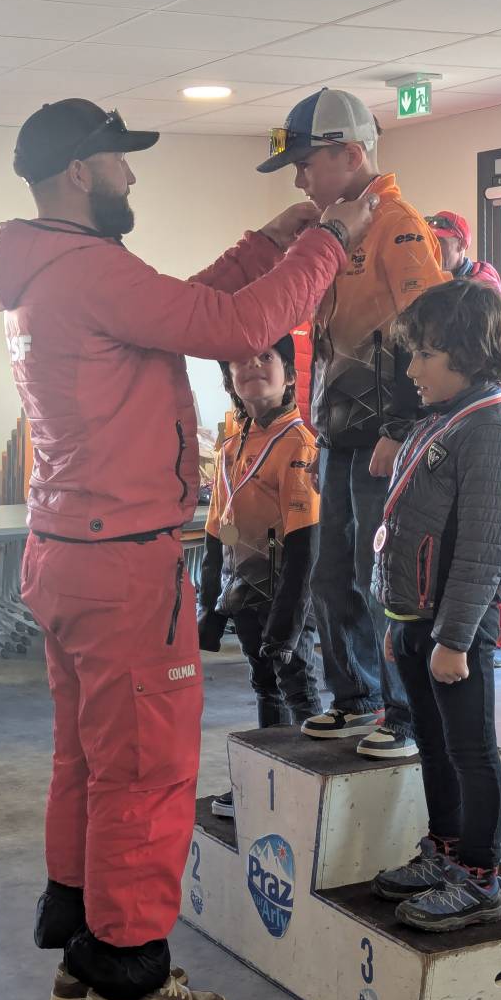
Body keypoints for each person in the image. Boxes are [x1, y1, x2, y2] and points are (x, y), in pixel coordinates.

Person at [0, 98, 378, 1000]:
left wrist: (273, 235)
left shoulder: (51, 272)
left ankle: (86, 955)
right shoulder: (86, 271)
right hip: (124, 567)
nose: (132, 176)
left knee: (88, 762)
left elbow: (187, 307)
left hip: (70, 554)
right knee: (148, 774)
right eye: (120, 161)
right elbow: (240, 322)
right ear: (80, 170)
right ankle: (130, 984)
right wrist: (325, 239)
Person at [257, 87, 448, 760]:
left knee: (385, 580)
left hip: (385, 441)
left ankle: (405, 713)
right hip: (335, 436)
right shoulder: (334, 229)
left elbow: (428, 337)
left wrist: (401, 428)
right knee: (329, 573)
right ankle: (357, 697)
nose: (301, 179)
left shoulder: (397, 223)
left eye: (308, 163)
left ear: (349, 151)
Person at [370, 280, 501, 931]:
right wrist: (396, 622)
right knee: (433, 747)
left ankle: (478, 876)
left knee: (471, 752)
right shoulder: (437, 420)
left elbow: (485, 552)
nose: (412, 370)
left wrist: (455, 638)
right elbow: (407, 526)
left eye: (426, 355)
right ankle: (443, 850)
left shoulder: (491, 434)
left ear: (469, 353)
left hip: (457, 627)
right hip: (418, 624)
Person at [198, 335, 321, 818]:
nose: (251, 366)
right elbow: (215, 529)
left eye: (266, 358)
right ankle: (262, 782)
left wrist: (288, 623)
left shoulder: (299, 443)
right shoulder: (232, 437)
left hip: (285, 595)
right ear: (229, 378)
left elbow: (305, 544)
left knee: (298, 688)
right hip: (241, 590)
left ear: (290, 374)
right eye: (239, 361)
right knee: (263, 686)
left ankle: (310, 788)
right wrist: (208, 608)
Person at [427, 209, 501, 668]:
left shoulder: (485, 297)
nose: (435, 247)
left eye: (443, 240)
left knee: (484, 541)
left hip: (484, 421)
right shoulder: (438, 291)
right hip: (453, 421)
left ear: (462, 246)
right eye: (430, 239)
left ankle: (500, 637)